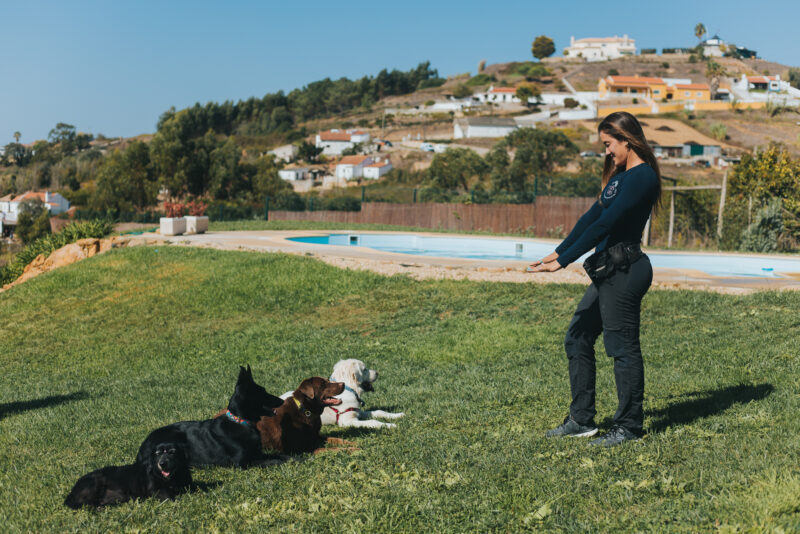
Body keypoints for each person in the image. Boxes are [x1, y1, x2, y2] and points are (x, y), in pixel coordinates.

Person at [529, 112, 661, 447]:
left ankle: (629, 427)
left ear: (626, 140)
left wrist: (565, 261)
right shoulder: (620, 178)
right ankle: (581, 420)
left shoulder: (642, 177)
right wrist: (557, 252)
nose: (606, 152)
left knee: (622, 348)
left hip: (626, 269)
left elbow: (607, 225)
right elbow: (593, 217)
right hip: (608, 269)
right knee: (577, 337)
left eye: (608, 144)